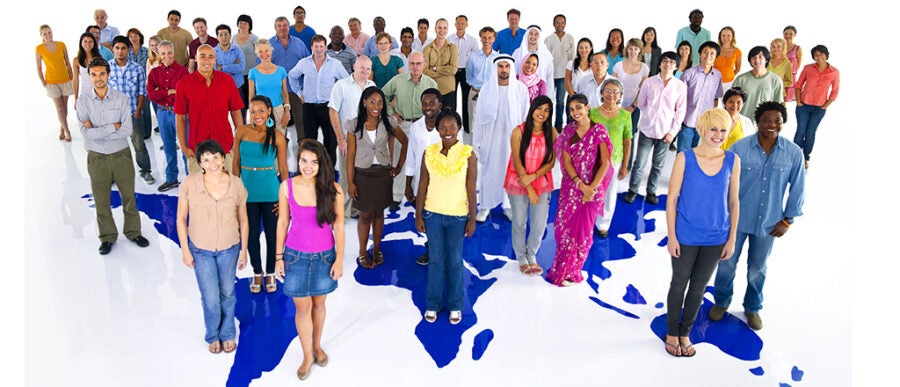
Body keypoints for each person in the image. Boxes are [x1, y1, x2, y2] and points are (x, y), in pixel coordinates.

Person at [709, 102, 805, 331]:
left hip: (769, 223)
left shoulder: (793, 153)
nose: (772, 125)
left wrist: (787, 220)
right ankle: (721, 302)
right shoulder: (740, 149)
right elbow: (724, 183)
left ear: (783, 123)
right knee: (726, 264)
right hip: (736, 221)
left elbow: (799, 187)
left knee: (758, 268)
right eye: (767, 120)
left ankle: (753, 307)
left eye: (777, 121)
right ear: (758, 122)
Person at [664, 108, 740, 357]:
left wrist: (732, 238)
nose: (718, 135)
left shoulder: (732, 160)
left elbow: (734, 202)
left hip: (716, 237)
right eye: (713, 129)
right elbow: (672, 198)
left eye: (723, 130)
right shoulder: (684, 158)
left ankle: (685, 333)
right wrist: (672, 236)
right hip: (685, 235)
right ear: (703, 129)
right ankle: (672, 331)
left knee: (698, 288)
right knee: (679, 284)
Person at [273, 139, 344, 381]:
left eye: (313, 162)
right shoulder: (286, 187)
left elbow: (340, 226)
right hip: (295, 257)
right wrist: (279, 257)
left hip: (325, 256)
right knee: (302, 310)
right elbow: (282, 222)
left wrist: (340, 260)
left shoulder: (333, 189)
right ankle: (306, 355)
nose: (307, 166)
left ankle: (317, 346)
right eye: (303, 161)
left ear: (321, 163)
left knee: (320, 306)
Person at [176, 139, 249, 354]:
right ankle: (212, 334)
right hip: (201, 249)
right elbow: (181, 218)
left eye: (215, 157)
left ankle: (227, 333)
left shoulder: (236, 184)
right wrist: (184, 250)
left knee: (228, 292)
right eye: (206, 159)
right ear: (200, 163)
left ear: (223, 158)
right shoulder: (189, 185)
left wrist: (244, 250)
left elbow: (243, 220)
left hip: (229, 247)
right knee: (210, 296)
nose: (212, 163)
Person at [78, 57, 151, 255]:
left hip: (121, 155)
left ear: (108, 75)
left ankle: (133, 232)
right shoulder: (83, 101)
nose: (98, 78)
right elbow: (85, 133)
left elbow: (127, 130)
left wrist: (98, 130)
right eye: (94, 75)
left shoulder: (121, 98)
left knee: (129, 197)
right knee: (101, 201)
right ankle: (107, 237)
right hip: (97, 157)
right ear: (90, 76)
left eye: (102, 74)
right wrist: (112, 127)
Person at [415, 108, 477, 325]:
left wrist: (472, 218)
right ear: (437, 129)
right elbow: (423, 184)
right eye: (443, 127)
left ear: (459, 128)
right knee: (436, 261)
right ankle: (432, 303)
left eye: (452, 126)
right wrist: (419, 214)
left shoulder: (468, 154)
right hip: (432, 215)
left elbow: (471, 187)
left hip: (458, 217)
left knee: (454, 261)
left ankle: (455, 305)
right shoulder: (429, 152)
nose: (447, 131)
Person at [546, 94, 612, 287]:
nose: (575, 112)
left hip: (592, 192)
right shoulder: (568, 131)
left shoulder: (598, 131)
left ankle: (573, 271)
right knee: (563, 228)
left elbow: (605, 162)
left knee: (582, 232)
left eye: (578, 108)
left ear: (588, 107)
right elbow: (566, 161)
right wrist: (579, 184)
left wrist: (590, 188)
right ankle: (561, 268)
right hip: (571, 188)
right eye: (571, 109)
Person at [232, 95, 288, 294]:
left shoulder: (278, 137)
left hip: (271, 193)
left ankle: (271, 272)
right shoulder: (241, 131)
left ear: (269, 112)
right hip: (247, 193)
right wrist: (234, 192)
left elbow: (284, 170)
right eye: (253, 111)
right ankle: (257, 272)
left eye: (261, 111)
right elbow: (236, 163)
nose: (257, 115)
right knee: (251, 235)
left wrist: (285, 200)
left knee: (273, 236)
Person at [347, 87, 407, 268]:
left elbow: (405, 141)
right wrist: (350, 182)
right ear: (364, 102)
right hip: (362, 175)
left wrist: (398, 167)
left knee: (379, 213)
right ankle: (363, 252)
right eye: (372, 101)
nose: (376, 106)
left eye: (380, 102)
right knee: (365, 215)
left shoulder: (388, 122)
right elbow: (350, 155)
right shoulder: (353, 124)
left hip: (382, 174)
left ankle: (377, 249)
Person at [472, 55, 529, 222]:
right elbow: (479, 116)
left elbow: (526, 117)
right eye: (500, 66)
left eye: (507, 66)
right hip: (491, 140)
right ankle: (485, 206)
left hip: (513, 140)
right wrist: (478, 142)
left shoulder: (520, 89)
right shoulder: (486, 89)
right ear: (495, 68)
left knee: (511, 172)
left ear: (511, 68)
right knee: (488, 172)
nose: (504, 70)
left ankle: (508, 206)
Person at [624, 51, 686, 205]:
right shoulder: (649, 82)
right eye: (665, 61)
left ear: (676, 66)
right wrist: (651, 117)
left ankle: (651, 191)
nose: (668, 64)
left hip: (665, 133)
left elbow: (680, 112)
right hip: (647, 129)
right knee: (639, 164)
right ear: (660, 64)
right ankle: (633, 190)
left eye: (672, 62)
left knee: (658, 166)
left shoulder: (680, 86)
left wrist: (672, 133)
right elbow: (642, 104)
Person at [505, 95, 556, 275]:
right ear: (532, 108)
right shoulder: (518, 131)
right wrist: (529, 187)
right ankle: (521, 257)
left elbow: (550, 162)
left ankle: (531, 254)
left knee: (539, 225)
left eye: (547, 110)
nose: (542, 113)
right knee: (519, 222)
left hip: (541, 182)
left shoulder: (552, 133)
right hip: (519, 181)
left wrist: (534, 177)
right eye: (539, 108)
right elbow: (517, 162)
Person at [175, 44, 245, 175]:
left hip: (225, 146)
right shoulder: (184, 84)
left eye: (211, 57)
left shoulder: (227, 81)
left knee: (229, 188)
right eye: (202, 56)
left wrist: (238, 142)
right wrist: (184, 146)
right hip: (196, 148)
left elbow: (236, 111)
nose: (207, 60)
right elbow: (180, 117)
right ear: (195, 58)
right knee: (199, 191)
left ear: (215, 59)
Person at [382, 52, 437, 207]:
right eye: (412, 63)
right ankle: (396, 195)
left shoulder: (431, 83)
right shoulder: (398, 81)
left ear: (424, 65)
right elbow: (383, 94)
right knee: (400, 158)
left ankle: (420, 193)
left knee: (422, 160)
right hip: (403, 125)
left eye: (418, 63)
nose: (415, 67)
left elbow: (436, 104)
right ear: (408, 65)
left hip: (423, 125)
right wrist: (391, 112)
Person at [289, 34, 349, 168]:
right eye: (316, 46)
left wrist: (338, 99)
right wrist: (299, 92)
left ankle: (330, 172)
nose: (319, 49)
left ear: (325, 47)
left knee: (331, 142)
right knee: (310, 143)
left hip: (328, 108)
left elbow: (345, 82)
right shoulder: (304, 63)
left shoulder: (335, 64)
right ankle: (311, 170)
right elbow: (292, 76)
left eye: (321, 46)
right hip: (309, 107)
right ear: (312, 47)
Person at [328, 56, 375, 219]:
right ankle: (342, 211)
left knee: (362, 174)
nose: (365, 72)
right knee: (347, 176)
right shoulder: (341, 85)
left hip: (366, 140)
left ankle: (357, 208)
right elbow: (333, 111)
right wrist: (340, 139)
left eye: (368, 69)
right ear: (354, 66)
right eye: (362, 68)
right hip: (348, 139)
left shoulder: (372, 86)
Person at [404, 88, 443, 265]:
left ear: (439, 105)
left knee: (442, 217)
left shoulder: (448, 126)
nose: (428, 107)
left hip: (443, 183)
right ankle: (431, 248)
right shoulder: (416, 127)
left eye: (432, 103)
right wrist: (408, 184)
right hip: (421, 182)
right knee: (427, 218)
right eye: (425, 103)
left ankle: (441, 250)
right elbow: (411, 156)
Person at [588, 79, 632, 237]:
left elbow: (627, 141)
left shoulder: (625, 115)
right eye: (608, 91)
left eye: (615, 92)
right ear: (601, 93)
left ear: (620, 95)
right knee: (592, 190)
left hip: (614, 160)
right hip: (594, 160)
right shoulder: (592, 113)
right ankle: (589, 218)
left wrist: (625, 165)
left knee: (610, 192)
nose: (611, 95)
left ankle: (603, 223)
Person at [109, 35, 154, 185]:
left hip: (133, 113)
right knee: (115, 146)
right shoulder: (107, 68)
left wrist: (139, 110)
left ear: (128, 50)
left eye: (123, 48)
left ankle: (145, 171)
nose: (120, 51)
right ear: (113, 49)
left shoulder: (137, 68)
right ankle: (116, 174)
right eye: (117, 48)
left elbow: (142, 91)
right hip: (114, 115)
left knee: (139, 144)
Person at [148, 40, 189, 192]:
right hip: (162, 113)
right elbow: (152, 95)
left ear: (174, 53)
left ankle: (191, 179)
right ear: (158, 54)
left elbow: (184, 94)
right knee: (168, 147)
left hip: (179, 112)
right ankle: (171, 178)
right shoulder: (154, 73)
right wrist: (171, 91)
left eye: (169, 53)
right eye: (163, 53)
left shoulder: (183, 72)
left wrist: (161, 92)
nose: (166, 56)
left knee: (185, 146)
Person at [794, 45, 839, 167]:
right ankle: (795, 157)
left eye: (821, 54)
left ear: (826, 55)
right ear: (813, 57)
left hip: (819, 109)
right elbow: (798, 85)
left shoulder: (834, 72)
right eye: (816, 55)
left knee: (810, 133)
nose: (819, 57)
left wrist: (825, 106)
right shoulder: (808, 68)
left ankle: (805, 158)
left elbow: (835, 91)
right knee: (800, 132)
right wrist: (798, 101)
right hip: (803, 106)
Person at [677, 41, 724, 152]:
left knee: (697, 154)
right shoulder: (689, 74)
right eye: (705, 52)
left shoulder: (717, 76)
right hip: (687, 121)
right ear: (699, 54)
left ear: (716, 57)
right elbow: (679, 98)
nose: (708, 56)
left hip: (705, 124)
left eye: (712, 53)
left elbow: (716, 99)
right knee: (682, 153)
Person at [271, 16, 311, 138]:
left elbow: (308, 64)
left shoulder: (299, 43)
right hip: (277, 90)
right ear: (275, 28)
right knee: (278, 120)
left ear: (289, 27)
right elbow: (261, 65)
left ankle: (302, 143)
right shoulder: (268, 45)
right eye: (279, 25)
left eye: (285, 25)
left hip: (296, 89)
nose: (282, 28)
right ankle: (280, 143)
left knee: (300, 119)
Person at [36, 24, 73, 142]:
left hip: (65, 79)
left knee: (65, 107)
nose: (48, 35)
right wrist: (43, 82)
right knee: (59, 108)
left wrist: (72, 77)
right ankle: (67, 131)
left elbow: (67, 62)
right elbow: (39, 67)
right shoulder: (39, 48)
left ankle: (62, 128)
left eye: (49, 32)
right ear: (41, 36)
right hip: (51, 82)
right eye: (45, 33)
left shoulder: (61, 45)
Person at [249, 39, 290, 135]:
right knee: (262, 140)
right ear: (257, 54)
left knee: (280, 140)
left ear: (271, 50)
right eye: (260, 51)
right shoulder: (253, 72)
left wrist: (287, 112)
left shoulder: (281, 71)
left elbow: (285, 93)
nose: (264, 54)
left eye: (266, 50)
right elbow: (251, 96)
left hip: (278, 110)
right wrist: (252, 114)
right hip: (260, 111)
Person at [465, 26, 498, 143]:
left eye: (489, 37)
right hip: (475, 93)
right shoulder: (473, 57)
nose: (487, 40)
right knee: (474, 124)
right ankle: (473, 152)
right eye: (484, 38)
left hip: (491, 95)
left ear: (494, 39)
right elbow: (468, 77)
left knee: (490, 122)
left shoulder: (498, 59)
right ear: (480, 39)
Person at [732, 46, 784, 118]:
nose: (757, 60)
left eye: (760, 57)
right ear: (750, 60)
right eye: (754, 57)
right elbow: (732, 102)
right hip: (743, 123)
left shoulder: (775, 80)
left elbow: (778, 105)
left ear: (766, 59)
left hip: (765, 124)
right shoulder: (741, 79)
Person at [613, 38, 650, 137]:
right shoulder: (618, 66)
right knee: (615, 134)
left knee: (630, 135)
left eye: (636, 49)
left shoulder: (645, 68)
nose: (633, 51)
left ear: (640, 51)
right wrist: (619, 105)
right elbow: (612, 87)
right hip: (616, 105)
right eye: (630, 48)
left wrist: (632, 106)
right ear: (626, 50)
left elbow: (642, 90)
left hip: (634, 107)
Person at [449, 15, 479, 134]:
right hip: (453, 72)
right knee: (452, 99)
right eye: (458, 23)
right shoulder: (450, 39)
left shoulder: (472, 40)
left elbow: (476, 57)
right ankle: (453, 124)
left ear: (466, 25)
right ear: (455, 24)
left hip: (467, 71)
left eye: (463, 23)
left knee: (466, 99)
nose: (460, 25)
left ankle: (467, 126)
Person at [545, 14, 575, 129]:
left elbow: (572, 58)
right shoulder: (548, 39)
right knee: (549, 101)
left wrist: (571, 75)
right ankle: (547, 124)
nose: (560, 25)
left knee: (560, 101)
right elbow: (546, 59)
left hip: (564, 75)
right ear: (554, 24)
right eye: (557, 22)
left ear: (565, 24)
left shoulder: (570, 38)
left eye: (562, 22)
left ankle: (558, 124)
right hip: (551, 75)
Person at [423, 19, 459, 111]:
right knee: (432, 121)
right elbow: (424, 71)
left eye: (444, 28)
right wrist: (445, 71)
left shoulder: (453, 48)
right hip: (432, 91)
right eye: (439, 27)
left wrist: (434, 68)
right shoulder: (427, 49)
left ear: (447, 30)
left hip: (448, 91)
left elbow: (453, 69)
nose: (442, 30)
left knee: (449, 119)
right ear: (435, 29)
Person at [511, 25, 555, 99]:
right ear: (527, 35)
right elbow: (512, 73)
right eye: (530, 33)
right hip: (519, 92)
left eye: (536, 34)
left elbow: (549, 77)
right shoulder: (517, 53)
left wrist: (549, 98)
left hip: (539, 92)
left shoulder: (546, 55)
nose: (533, 36)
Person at [214, 25, 246, 112]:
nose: (224, 37)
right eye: (221, 34)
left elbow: (241, 67)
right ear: (217, 37)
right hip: (219, 92)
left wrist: (222, 67)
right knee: (220, 121)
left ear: (230, 36)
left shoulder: (237, 50)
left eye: (226, 34)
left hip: (237, 90)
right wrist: (232, 67)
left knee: (241, 122)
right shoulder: (212, 52)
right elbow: (213, 71)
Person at [233, 14, 259, 118]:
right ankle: (242, 126)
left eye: (245, 23)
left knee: (252, 101)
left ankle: (255, 124)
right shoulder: (234, 37)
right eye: (241, 23)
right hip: (238, 75)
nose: (242, 25)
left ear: (249, 25)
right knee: (240, 103)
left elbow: (260, 53)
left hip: (251, 74)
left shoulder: (254, 38)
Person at [565, 38, 593, 113]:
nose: (583, 50)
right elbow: (567, 82)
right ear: (577, 49)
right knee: (571, 123)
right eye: (581, 47)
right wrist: (574, 98)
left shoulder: (594, 65)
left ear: (591, 48)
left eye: (586, 47)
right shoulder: (571, 63)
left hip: (588, 98)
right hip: (573, 95)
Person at [72, 32, 100, 103]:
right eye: (85, 41)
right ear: (81, 43)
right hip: (84, 93)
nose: (88, 44)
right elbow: (75, 80)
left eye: (90, 41)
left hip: (98, 94)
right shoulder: (76, 60)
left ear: (94, 43)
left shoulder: (99, 58)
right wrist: (75, 98)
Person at [713, 27, 741, 91]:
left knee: (727, 100)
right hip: (715, 81)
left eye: (729, 35)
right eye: (723, 35)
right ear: (720, 37)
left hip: (730, 83)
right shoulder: (714, 49)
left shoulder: (737, 51)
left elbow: (738, 69)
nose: (726, 38)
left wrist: (728, 75)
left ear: (732, 37)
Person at [768, 38, 793, 105]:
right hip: (765, 93)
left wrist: (778, 84)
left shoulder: (787, 63)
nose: (775, 49)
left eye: (778, 46)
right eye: (773, 46)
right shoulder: (766, 60)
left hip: (779, 95)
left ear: (783, 48)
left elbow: (789, 82)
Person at [783, 26, 802, 102]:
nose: (788, 36)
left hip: (790, 76)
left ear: (795, 35)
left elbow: (798, 65)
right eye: (786, 33)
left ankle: (783, 113)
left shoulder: (797, 48)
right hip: (779, 74)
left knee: (785, 99)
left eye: (791, 34)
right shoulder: (779, 47)